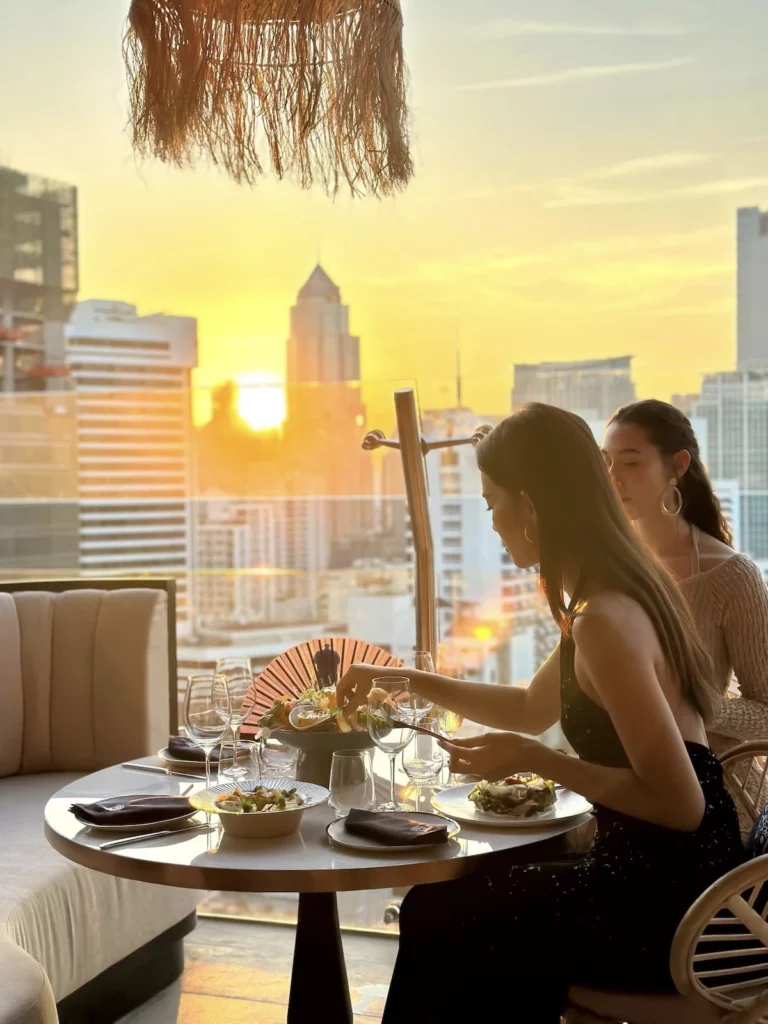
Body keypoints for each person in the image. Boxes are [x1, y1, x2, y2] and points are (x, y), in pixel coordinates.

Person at [337, 403, 744, 1024]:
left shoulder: (605, 621)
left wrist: (539, 761)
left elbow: (679, 804)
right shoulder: (618, 589)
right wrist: (403, 678)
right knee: (457, 902)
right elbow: (530, 708)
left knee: (439, 912)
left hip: (669, 906)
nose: (494, 523)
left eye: (493, 503)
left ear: (530, 505)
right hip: (677, 872)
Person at [603, 399, 768, 753]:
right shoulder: (607, 567)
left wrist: (694, 704)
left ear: (677, 465)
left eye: (631, 462)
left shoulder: (731, 576)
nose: (613, 478)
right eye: (606, 463)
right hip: (617, 786)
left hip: (715, 788)